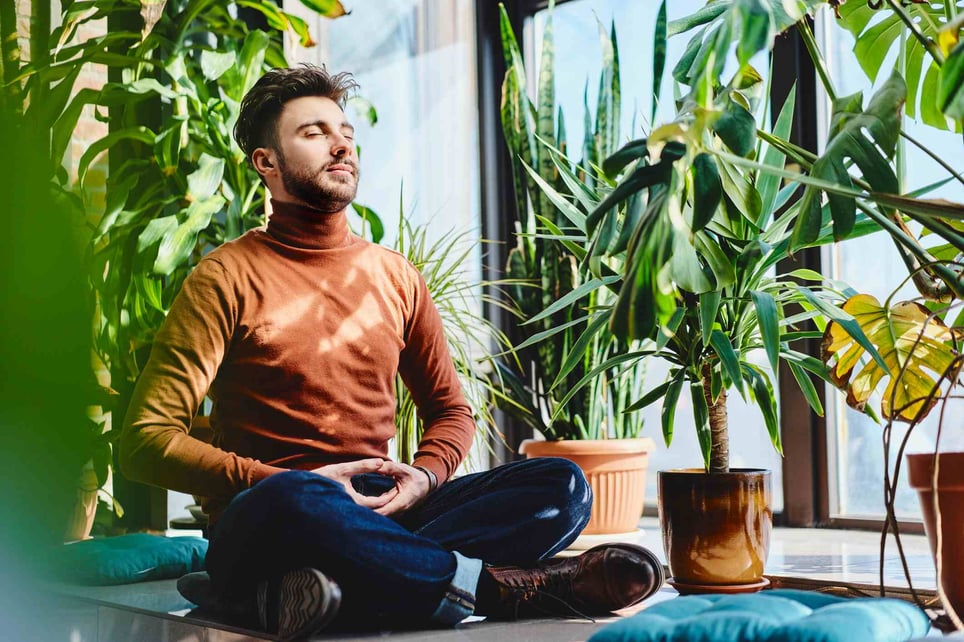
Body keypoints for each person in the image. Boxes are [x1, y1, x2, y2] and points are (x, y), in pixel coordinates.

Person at [119, 64, 664, 641]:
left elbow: (451, 411)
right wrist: (276, 479)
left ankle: (311, 593)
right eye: (314, 133)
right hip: (275, 513)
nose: (341, 146)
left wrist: (424, 480)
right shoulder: (224, 277)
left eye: (346, 133)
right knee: (298, 496)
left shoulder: (395, 277)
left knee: (563, 487)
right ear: (266, 162)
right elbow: (145, 440)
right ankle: (493, 589)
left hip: (384, 508)